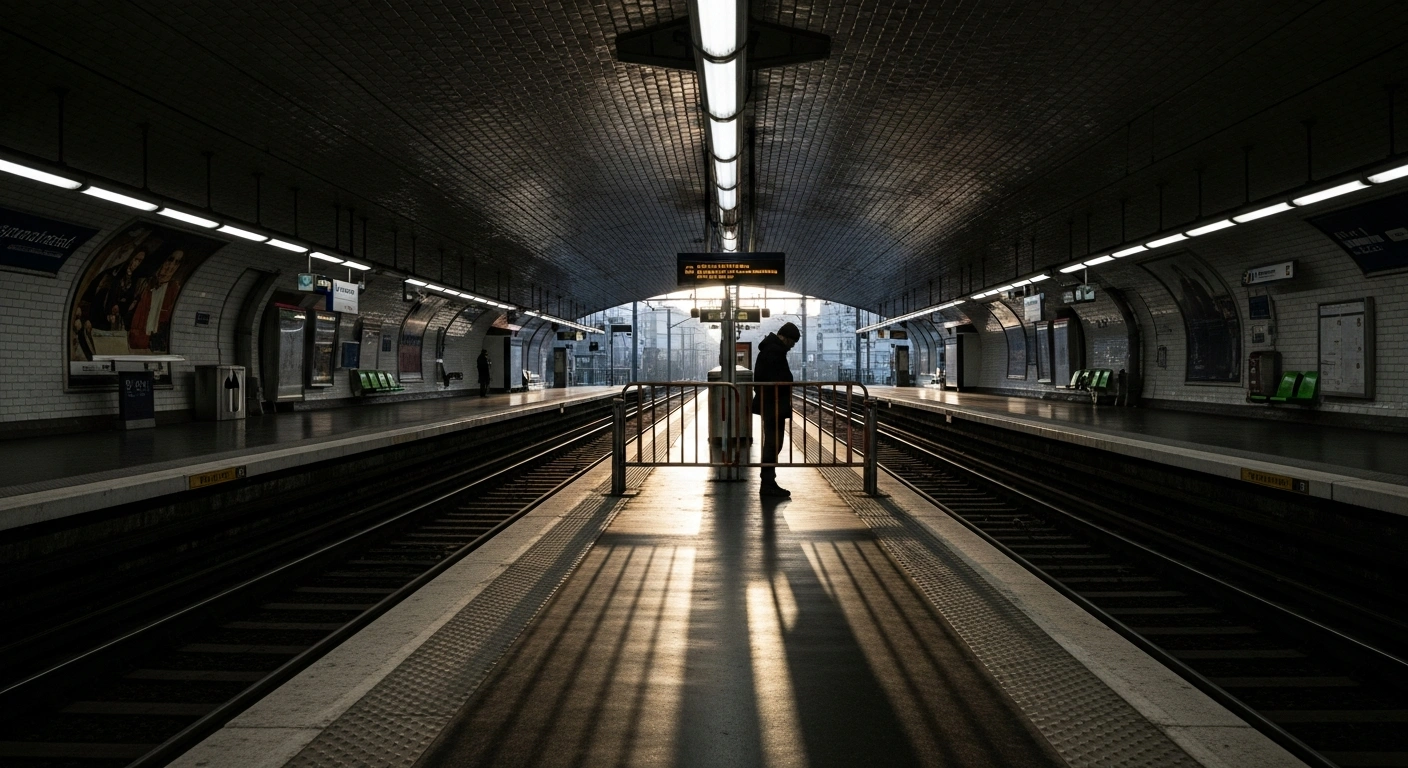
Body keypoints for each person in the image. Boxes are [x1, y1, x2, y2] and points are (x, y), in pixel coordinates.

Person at [752, 321, 800, 498]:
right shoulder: (774, 351)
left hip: (773, 404)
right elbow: (774, 378)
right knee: (773, 444)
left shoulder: (771, 349)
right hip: (773, 404)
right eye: (791, 342)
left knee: (773, 443)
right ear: (783, 337)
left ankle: (769, 481)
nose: (792, 346)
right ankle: (767, 483)